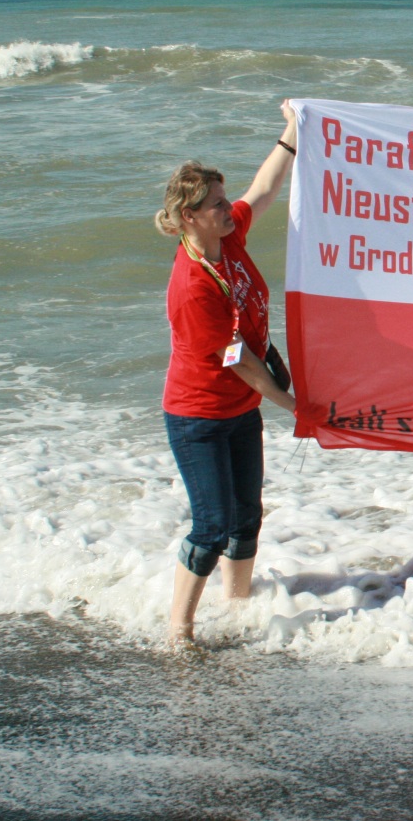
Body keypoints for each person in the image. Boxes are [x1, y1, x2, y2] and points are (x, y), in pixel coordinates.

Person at [154, 100, 298, 642]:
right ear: (189, 217)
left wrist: (291, 131)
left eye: (222, 199)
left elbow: (263, 189)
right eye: (216, 204)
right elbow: (242, 364)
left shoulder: (227, 237)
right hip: (199, 418)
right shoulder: (192, 287)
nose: (226, 208)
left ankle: (237, 608)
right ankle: (179, 630)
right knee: (212, 526)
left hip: (240, 411)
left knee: (247, 517)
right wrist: (296, 407)